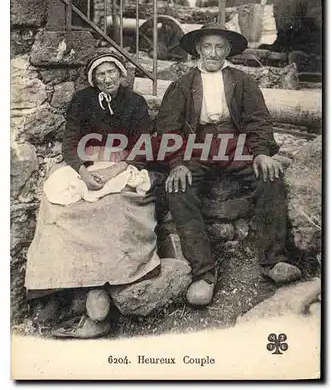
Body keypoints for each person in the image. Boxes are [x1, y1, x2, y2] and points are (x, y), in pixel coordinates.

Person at [155, 23, 301, 307]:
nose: (213, 52)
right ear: (198, 49)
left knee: (270, 176)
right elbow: (168, 129)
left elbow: (259, 120)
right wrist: (176, 163)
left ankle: (273, 260)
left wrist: (260, 153)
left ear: (227, 50)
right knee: (178, 188)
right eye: (207, 47)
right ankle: (204, 273)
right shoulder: (182, 85)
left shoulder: (242, 81)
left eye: (219, 47)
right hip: (196, 148)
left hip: (236, 145)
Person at [25, 49, 161, 338]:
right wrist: (83, 172)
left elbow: (143, 146)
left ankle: (102, 290)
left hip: (122, 165)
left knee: (115, 205)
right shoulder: (82, 101)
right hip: (88, 167)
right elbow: (71, 142)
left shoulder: (134, 103)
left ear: (121, 74)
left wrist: (114, 171)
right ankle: (61, 288)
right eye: (101, 74)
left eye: (111, 72)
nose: (107, 78)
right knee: (56, 205)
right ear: (93, 79)